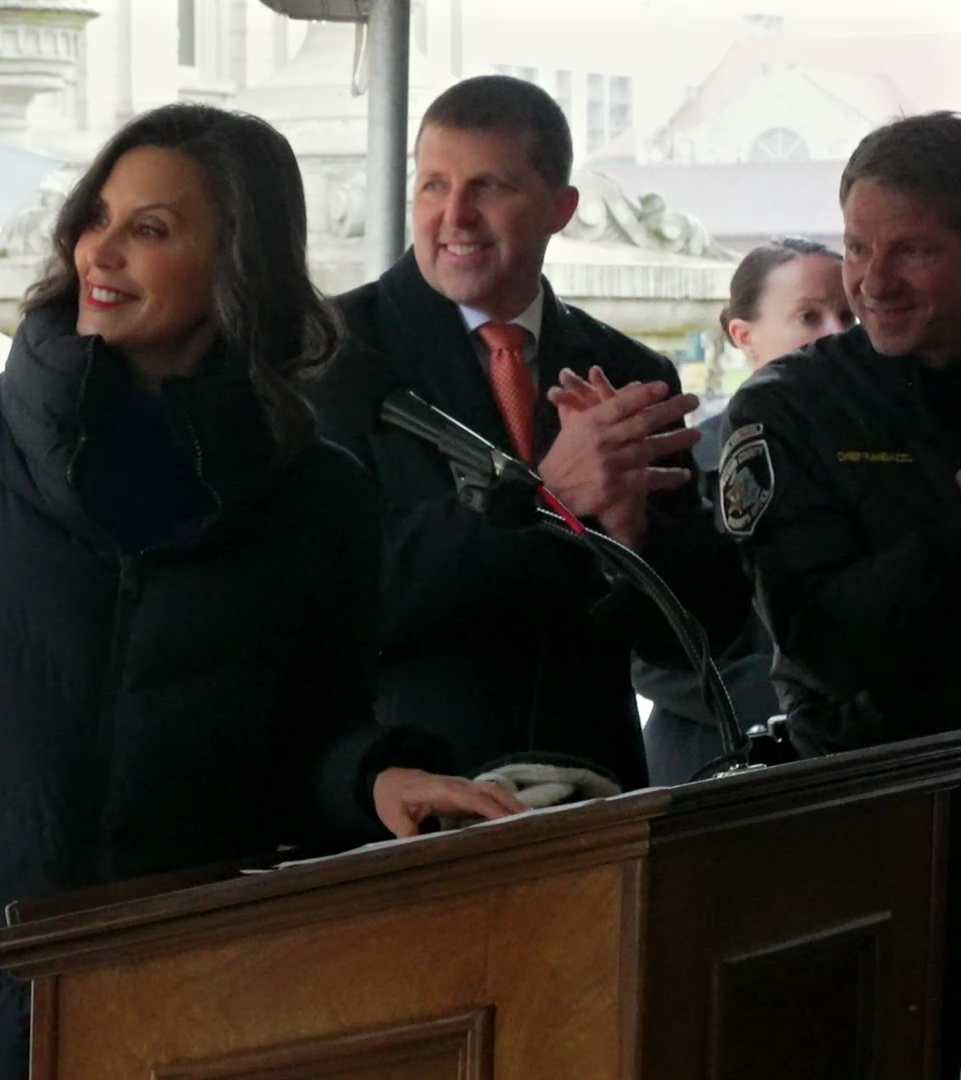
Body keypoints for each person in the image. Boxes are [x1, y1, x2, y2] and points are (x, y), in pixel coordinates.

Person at [0, 103, 523, 1080]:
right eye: (97, 218)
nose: (102, 251)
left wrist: (372, 780)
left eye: (150, 229)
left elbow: (306, 745)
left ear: (240, 262)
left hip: (172, 1012)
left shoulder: (319, 502)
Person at [308, 75, 750, 793]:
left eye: (489, 187)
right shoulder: (332, 356)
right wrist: (555, 494)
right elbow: (344, 596)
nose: (455, 216)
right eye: (432, 186)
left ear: (561, 207)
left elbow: (706, 633)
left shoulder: (629, 372)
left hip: (595, 791)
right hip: (412, 796)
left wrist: (630, 536)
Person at [722, 111, 961, 758]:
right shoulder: (790, 407)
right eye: (858, 248)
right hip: (875, 792)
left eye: (913, 251)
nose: (874, 283)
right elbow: (824, 646)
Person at [631, 239, 850, 783]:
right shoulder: (683, 467)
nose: (839, 334)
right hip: (713, 764)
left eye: (850, 314)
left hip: (860, 769)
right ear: (743, 336)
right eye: (808, 315)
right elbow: (651, 648)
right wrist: (816, 699)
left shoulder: (889, 463)